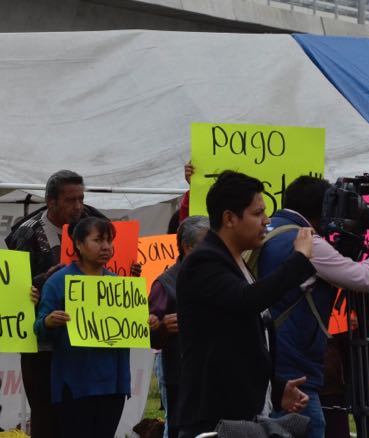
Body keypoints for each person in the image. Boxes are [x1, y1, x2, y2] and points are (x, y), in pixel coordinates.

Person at [175, 170, 317, 437]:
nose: (266, 221)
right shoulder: (204, 262)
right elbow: (247, 300)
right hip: (213, 419)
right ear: (229, 218)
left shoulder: (236, 261)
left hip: (243, 413)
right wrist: (298, 260)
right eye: (257, 213)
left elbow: (240, 342)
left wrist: (275, 389)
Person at [257, 175, 369, 438]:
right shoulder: (305, 241)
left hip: (268, 363)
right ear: (324, 208)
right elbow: (368, 279)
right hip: (295, 371)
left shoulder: (267, 231)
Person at [5, 169, 107, 438]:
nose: (78, 206)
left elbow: (111, 269)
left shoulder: (96, 222)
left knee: (82, 420)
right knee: (46, 419)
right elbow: (14, 289)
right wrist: (43, 281)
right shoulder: (26, 234)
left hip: (85, 345)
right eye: (70, 200)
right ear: (51, 202)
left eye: (81, 199)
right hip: (43, 348)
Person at [36, 216, 154, 438]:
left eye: (109, 241)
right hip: (75, 384)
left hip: (113, 385)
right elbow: (38, 329)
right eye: (98, 240)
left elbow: (129, 328)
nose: (106, 247)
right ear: (79, 244)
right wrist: (48, 322)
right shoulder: (58, 282)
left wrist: (146, 321)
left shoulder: (118, 284)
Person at [148, 216, 210, 438]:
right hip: (181, 376)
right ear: (187, 247)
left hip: (215, 373)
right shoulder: (165, 284)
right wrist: (162, 327)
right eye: (207, 243)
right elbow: (149, 336)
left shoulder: (220, 275)